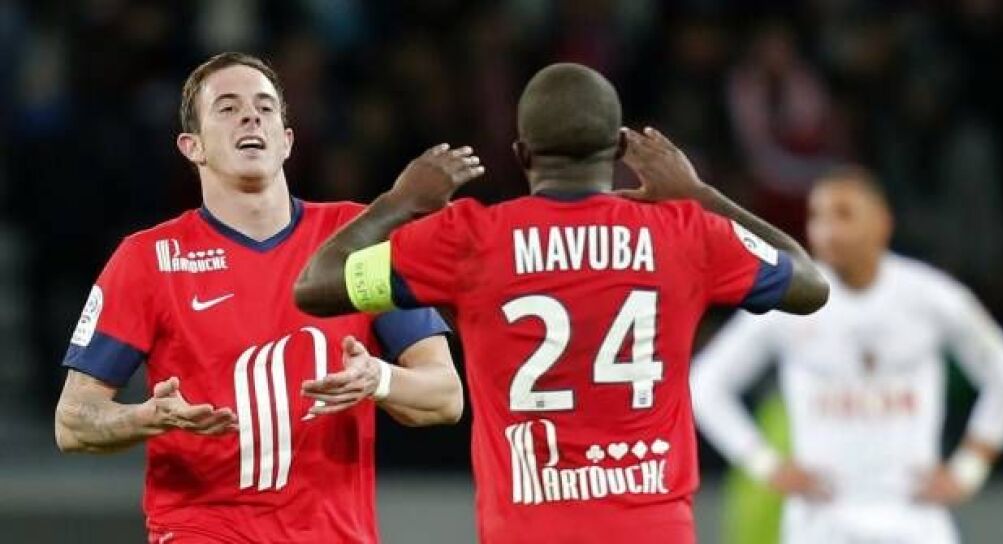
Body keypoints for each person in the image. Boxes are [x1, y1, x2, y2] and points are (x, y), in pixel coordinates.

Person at [293, 63, 829, 543]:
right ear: (618, 150)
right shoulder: (685, 233)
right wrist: (699, 195)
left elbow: (317, 285)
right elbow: (809, 284)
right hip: (653, 530)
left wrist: (399, 203)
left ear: (522, 154)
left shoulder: (468, 240)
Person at [54, 52, 470, 543]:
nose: (251, 116)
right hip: (202, 530)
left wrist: (377, 378)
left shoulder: (356, 240)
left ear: (287, 141)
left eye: (265, 107)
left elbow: (445, 396)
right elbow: (73, 421)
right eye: (228, 108)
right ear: (192, 146)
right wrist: (145, 417)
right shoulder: (149, 259)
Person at [690, 166, 1003, 544]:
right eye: (818, 217)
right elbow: (706, 382)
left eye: (844, 215)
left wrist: (969, 468)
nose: (827, 231)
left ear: (882, 223)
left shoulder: (930, 296)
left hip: (912, 515)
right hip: (821, 519)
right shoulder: (790, 300)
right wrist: (763, 463)